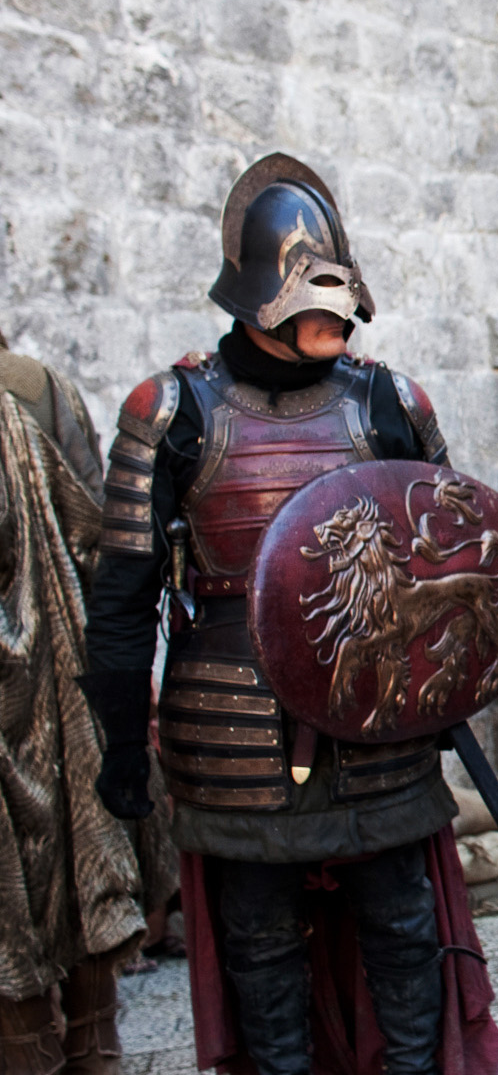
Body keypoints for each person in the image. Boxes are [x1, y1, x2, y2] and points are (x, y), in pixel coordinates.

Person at [83, 154, 498, 1074]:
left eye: (341, 300)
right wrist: (121, 743)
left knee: (403, 927)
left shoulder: (389, 400)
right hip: (232, 726)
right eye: (312, 301)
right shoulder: (172, 412)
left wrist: (448, 693)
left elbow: (455, 534)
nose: (338, 319)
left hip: (377, 712)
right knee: (260, 947)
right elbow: (121, 595)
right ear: (257, 296)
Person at [0, 335, 143, 1075]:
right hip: (65, 661)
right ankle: (90, 1038)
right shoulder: (40, 385)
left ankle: (38, 1046)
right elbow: (100, 531)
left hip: (57, 661)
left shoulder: (35, 387)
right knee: (83, 835)